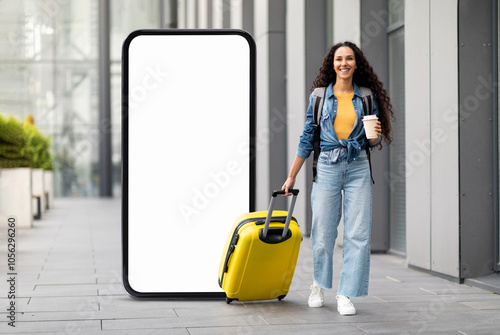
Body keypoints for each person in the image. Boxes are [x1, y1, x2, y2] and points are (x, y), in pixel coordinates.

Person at [282, 41, 393, 315]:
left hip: (357, 167)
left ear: (356, 64)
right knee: (322, 233)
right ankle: (319, 284)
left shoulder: (366, 96)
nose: (344, 63)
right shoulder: (319, 97)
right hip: (328, 167)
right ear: (332, 64)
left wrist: (376, 133)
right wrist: (292, 175)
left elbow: (373, 139)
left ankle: (346, 293)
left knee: (358, 234)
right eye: (339, 59)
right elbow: (308, 137)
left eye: (349, 59)